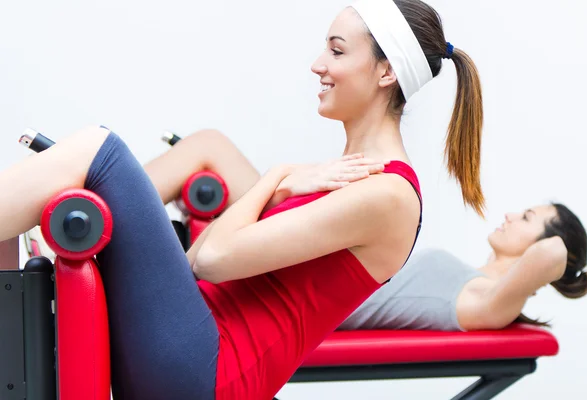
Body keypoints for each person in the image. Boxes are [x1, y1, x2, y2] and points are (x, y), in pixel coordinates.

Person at [0, 1, 485, 399]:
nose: (318, 65)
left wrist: (278, 177)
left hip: (206, 370)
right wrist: (285, 180)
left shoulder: (388, 194)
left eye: (337, 52)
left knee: (97, 151)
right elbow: (199, 259)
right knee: (90, 164)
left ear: (385, 73)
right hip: (191, 350)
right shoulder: (351, 179)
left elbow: (209, 259)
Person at [339, 203, 587, 332]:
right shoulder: (478, 286)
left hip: (314, 302)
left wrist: (561, 263)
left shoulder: (487, 301)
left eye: (526, 218)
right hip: (320, 284)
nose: (510, 215)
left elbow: (553, 252)